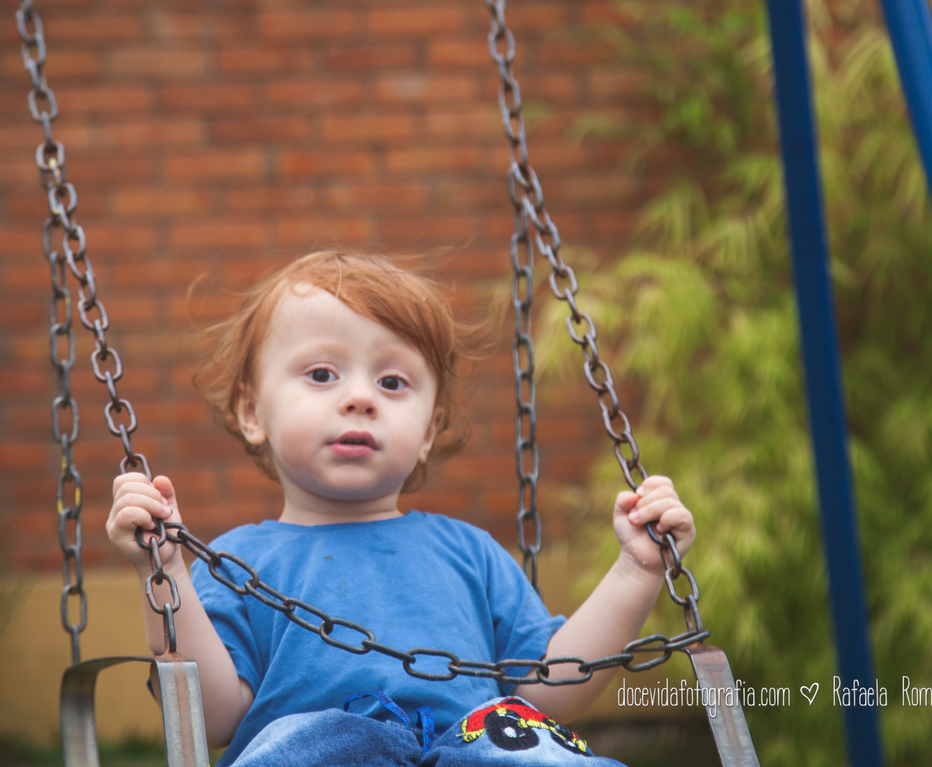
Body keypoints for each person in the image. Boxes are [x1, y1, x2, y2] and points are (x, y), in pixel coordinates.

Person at [106, 251, 696, 766]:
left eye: (392, 383)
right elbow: (211, 723)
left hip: (473, 755)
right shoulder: (232, 561)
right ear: (252, 412)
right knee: (314, 738)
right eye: (321, 374)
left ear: (428, 430)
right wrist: (166, 571)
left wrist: (635, 573)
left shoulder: (469, 553)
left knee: (523, 740)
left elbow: (548, 696)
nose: (360, 398)